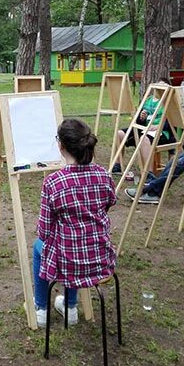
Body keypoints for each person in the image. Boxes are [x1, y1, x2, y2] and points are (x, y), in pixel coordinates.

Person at [33, 119, 117, 327]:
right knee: (73, 246)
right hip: (101, 258)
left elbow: (44, 232)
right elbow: (110, 202)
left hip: (69, 262)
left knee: (39, 247)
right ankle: (70, 307)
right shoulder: (103, 175)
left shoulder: (53, 182)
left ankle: (41, 309)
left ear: (61, 146)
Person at [112, 77, 175, 179]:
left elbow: (173, 122)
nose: (160, 89)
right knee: (120, 133)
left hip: (161, 132)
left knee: (144, 139)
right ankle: (118, 165)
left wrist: (159, 126)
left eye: (164, 87)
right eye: (159, 86)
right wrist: (142, 117)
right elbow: (138, 122)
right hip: (144, 129)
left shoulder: (168, 102)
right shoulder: (148, 100)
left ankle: (148, 173)